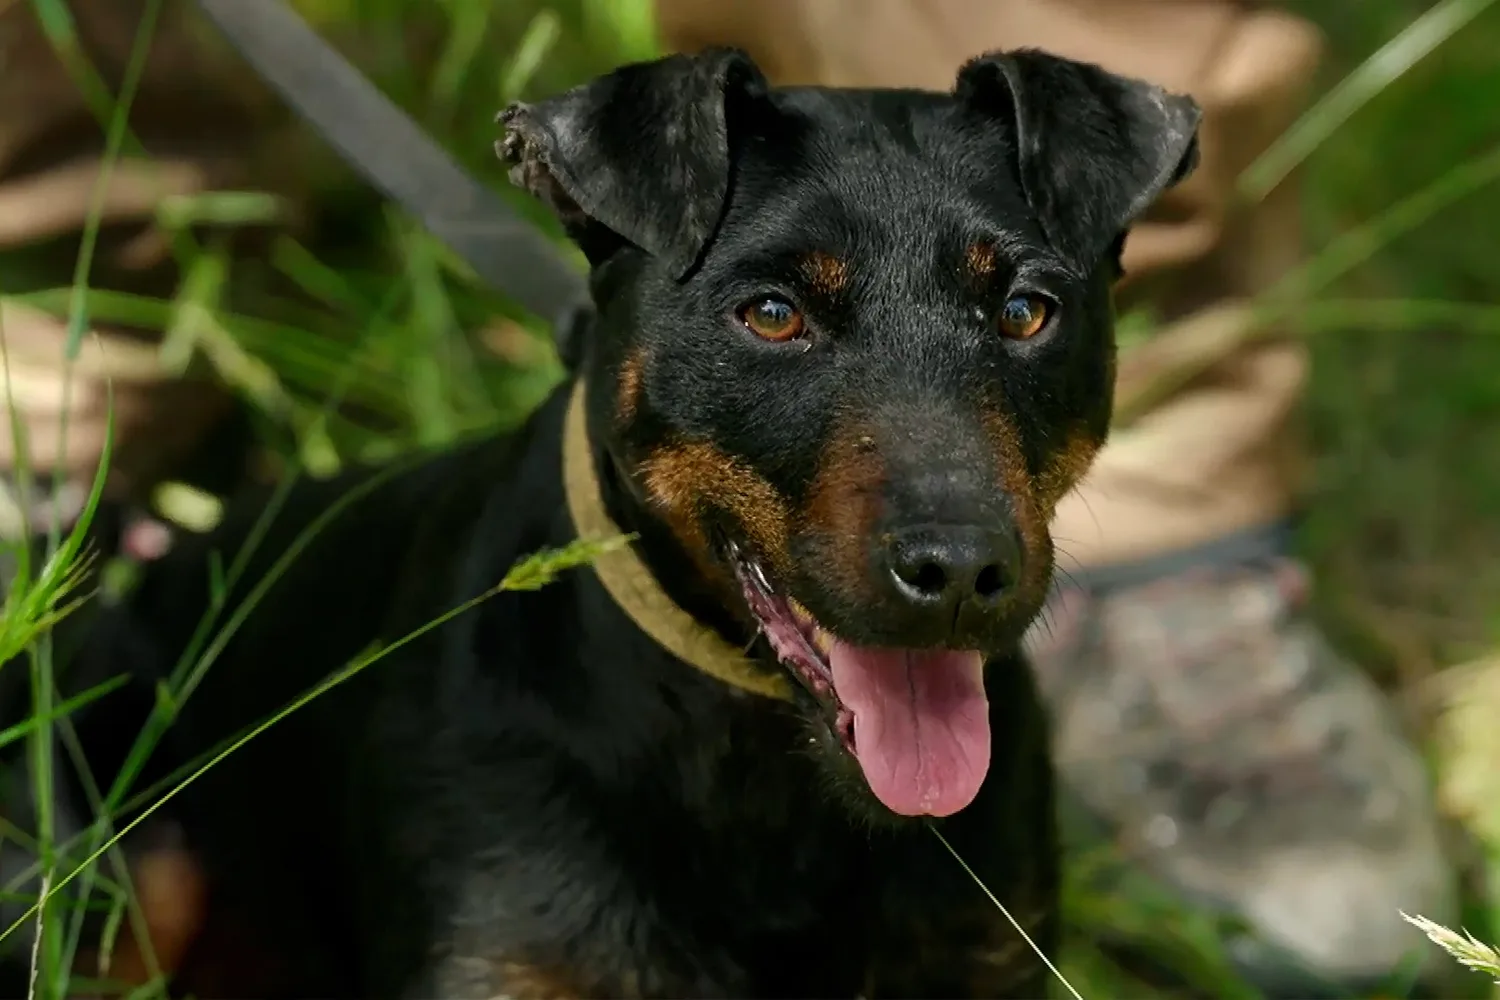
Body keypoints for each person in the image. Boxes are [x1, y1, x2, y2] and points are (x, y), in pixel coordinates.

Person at [0, 0, 1460, 994]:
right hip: (187, 800)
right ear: (623, 291)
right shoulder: (485, 766)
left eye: (1016, 311)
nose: (953, 533)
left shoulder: (972, 744)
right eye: (775, 315)